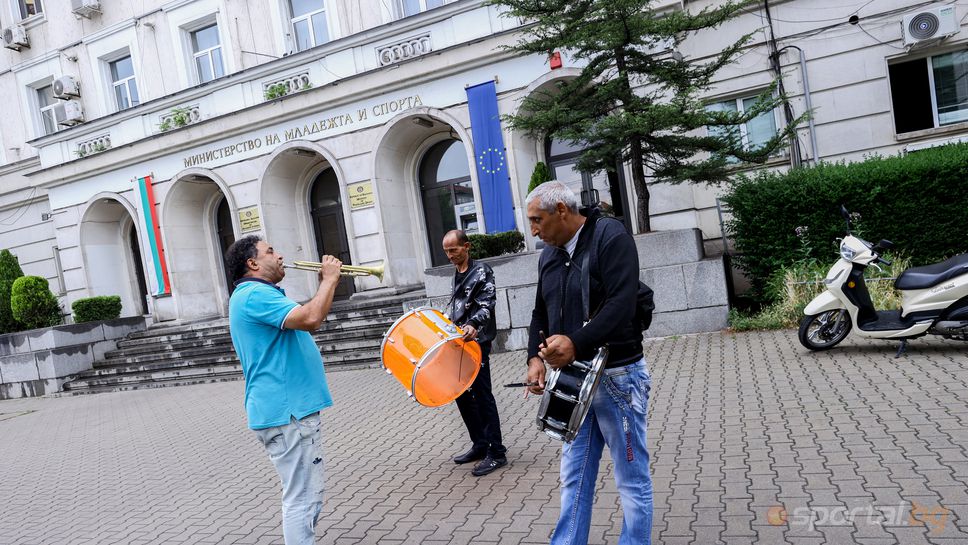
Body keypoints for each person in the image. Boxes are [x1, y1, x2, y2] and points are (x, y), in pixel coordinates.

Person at [524, 182, 653, 545]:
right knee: (574, 476)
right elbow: (539, 313)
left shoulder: (610, 236)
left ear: (562, 210)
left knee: (631, 478)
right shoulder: (548, 254)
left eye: (538, 220)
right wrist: (534, 358)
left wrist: (575, 342)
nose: (534, 230)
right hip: (572, 384)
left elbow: (622, 304)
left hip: (619, 378)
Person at [224, 235, 342, 545]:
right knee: (302, 500)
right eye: (270, 251)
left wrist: (327, 285)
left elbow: (313, 317)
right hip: (288, 413)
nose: (279, 256)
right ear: (252, 263)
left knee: (307, 498)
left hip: (288, 411)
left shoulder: (257, 294)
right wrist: (329, 280)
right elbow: (312, 318)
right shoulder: (254, 295)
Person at [442, 229, 508, 477]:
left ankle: (497, 452)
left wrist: (473, 325)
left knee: (482, 395)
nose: (449, 255)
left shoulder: (482, 271)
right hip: (458, 343)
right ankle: (480, 444)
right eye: (446, 251)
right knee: (460, 394)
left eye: (454, 250)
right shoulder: (457, 273)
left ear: (466, 246)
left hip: (476, 342)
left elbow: (487, 303)